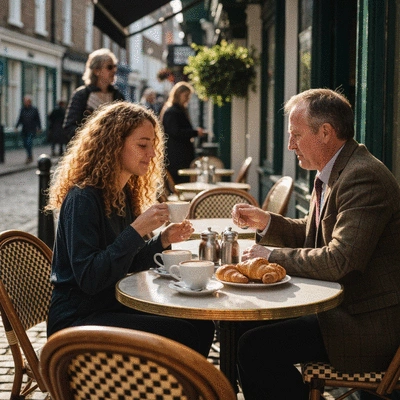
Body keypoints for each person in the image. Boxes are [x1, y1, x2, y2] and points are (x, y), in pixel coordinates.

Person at [231, 88, 400, 399]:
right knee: (245, 324)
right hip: (339, 307)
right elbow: (314, 235)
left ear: (325, 133)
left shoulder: (362, 177)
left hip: (365, 325)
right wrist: (267, 222)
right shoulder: (336, 169)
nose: (290, 144)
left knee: (254, 346)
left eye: (296, 134)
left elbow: (339, 261)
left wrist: (271, 255)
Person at [45, 101, 215, 358]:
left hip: (110, 305)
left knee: (201, 322)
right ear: (114, 145)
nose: (151, 154)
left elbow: (128, 262)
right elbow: (90, 278)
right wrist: (136, 231)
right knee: (185, 333)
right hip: (77, 322)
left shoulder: (123, 193)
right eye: (142, 145)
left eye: (153, 146)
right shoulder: (83, 198)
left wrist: (162, 241)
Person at [63, 48, 125, 143]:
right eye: (109, 67)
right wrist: (92, 139)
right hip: (89, 152)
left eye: (115, 67)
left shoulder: (118, 95)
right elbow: (69, 127)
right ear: (96, 71)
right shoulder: (82, 94)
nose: (114, 70)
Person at [160, 81, 205, 183]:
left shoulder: (178, 110)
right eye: (186, 95)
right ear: (178, 94)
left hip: (181, 156)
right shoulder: (172, 111)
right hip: (177, 158)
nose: (187, 99)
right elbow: (175, 132)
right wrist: (195, 133)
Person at [15, 95, 42, 164]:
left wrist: (39, 127)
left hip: (31, 129)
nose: (26, 102)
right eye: (25, 101)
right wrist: (16, 126)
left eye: (27, 101)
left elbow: (37, 119)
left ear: (30, 102)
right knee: (25, 144)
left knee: (29, 142)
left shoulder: (34, 109)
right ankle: (29, 155)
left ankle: (29, 156)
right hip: (24, 129)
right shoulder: (23, 109)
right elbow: (20, 118)